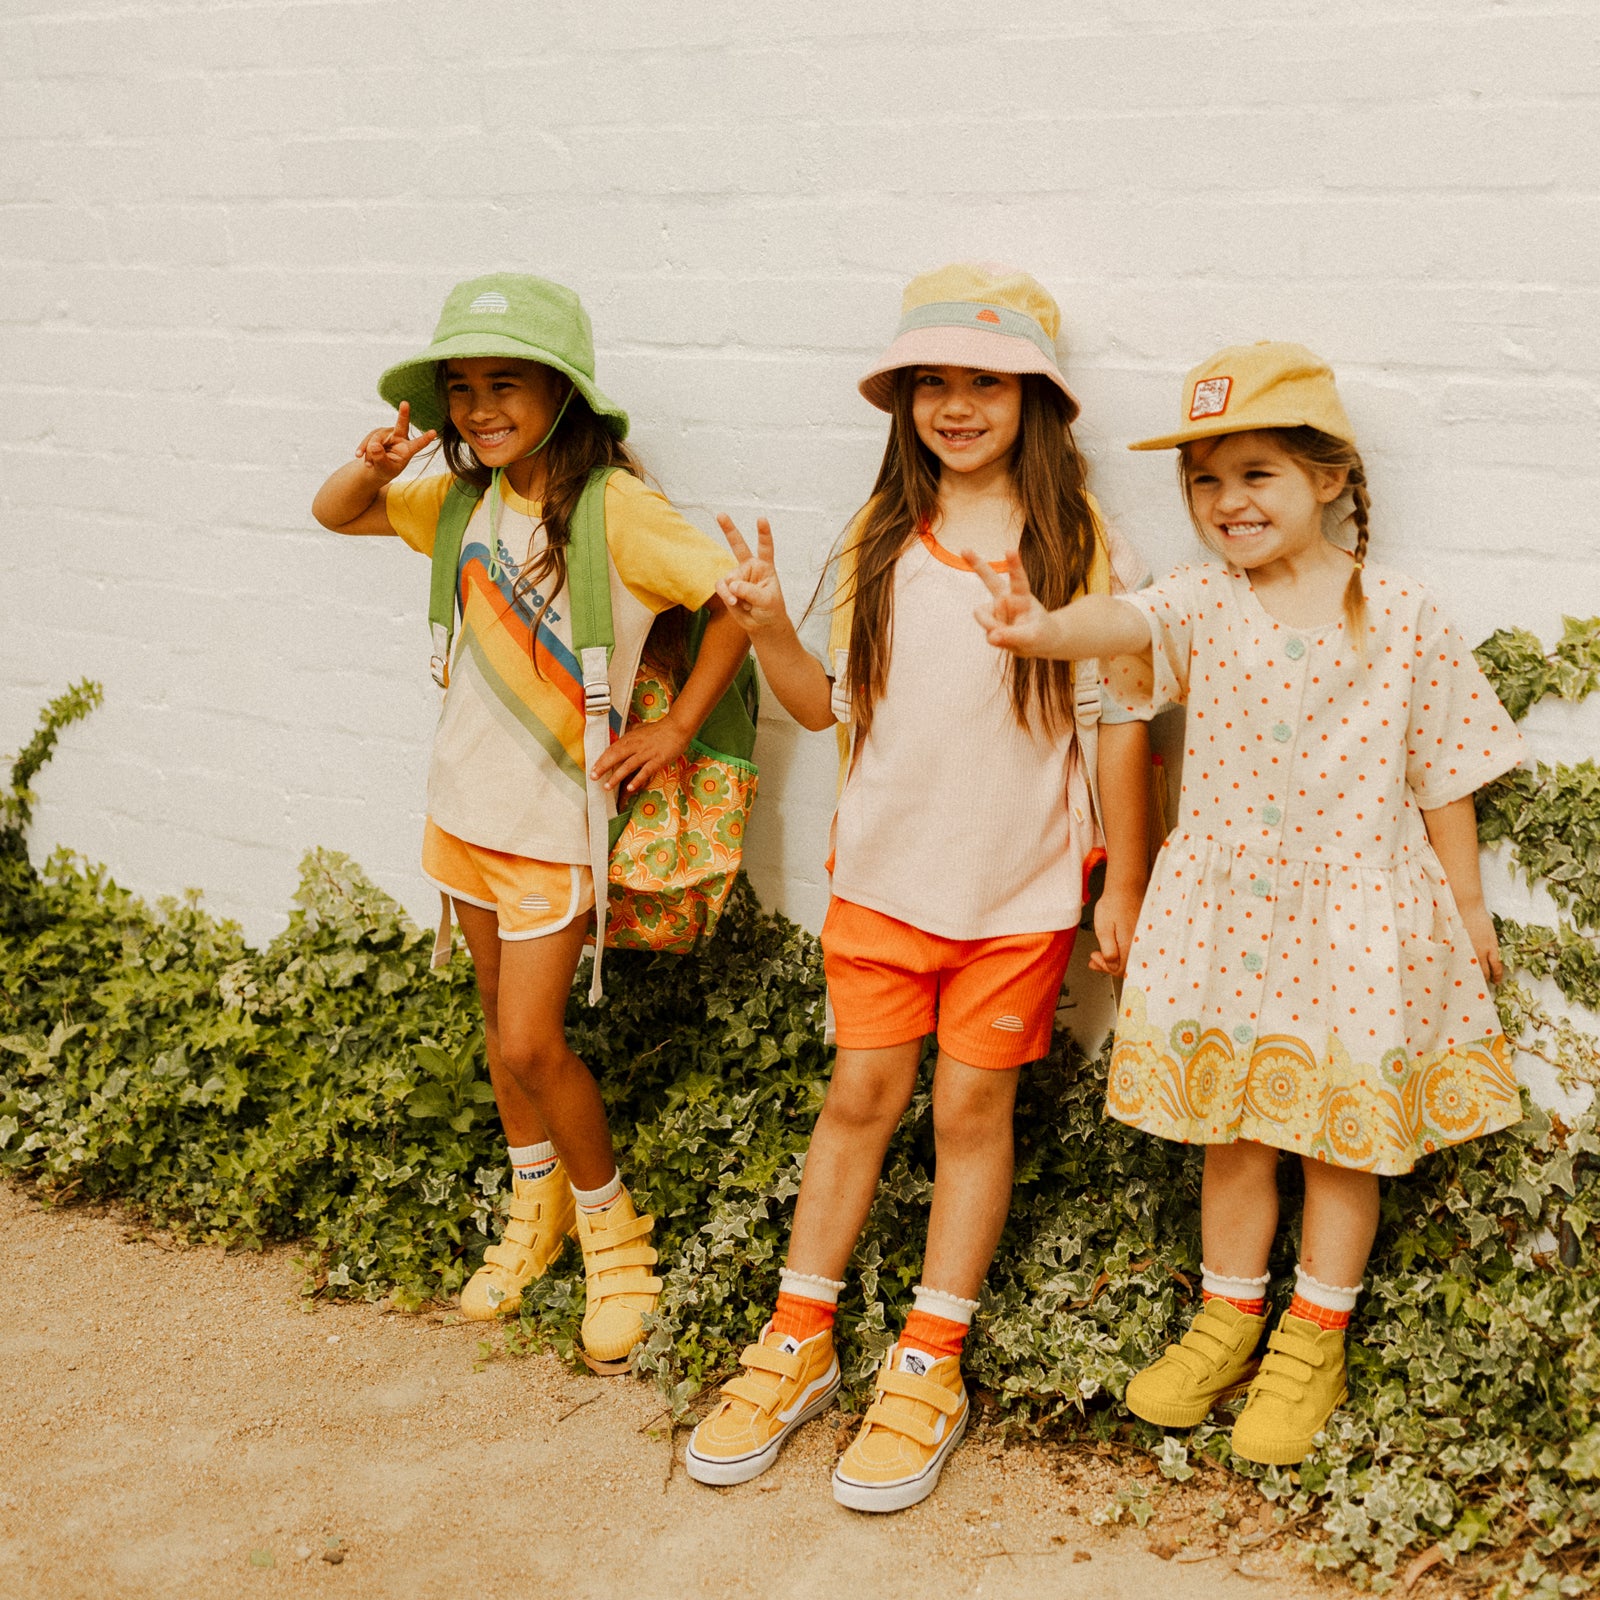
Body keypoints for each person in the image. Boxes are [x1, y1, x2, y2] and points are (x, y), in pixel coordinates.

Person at [969, 341, 1524, 1464]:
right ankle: (1227, 1312)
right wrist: (1041, 628)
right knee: (1230, 1128)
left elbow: (1443, 771)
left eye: (1256, 473)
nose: (1226, 502)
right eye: (1205, 479)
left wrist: (1466, 908)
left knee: (1337, 1143)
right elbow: (1115, 623)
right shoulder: (1198, 600)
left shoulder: (1404, 615)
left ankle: (1313, 1334)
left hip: (1357, 918)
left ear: (1327, 476)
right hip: (1228, 914)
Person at [684, 264, 1153, 1510]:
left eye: (983, 381)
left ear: (1032, 399)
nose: (955, 404)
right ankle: (796, 1340)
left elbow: (1115, 722)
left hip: (1021, 895)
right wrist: (772, 622)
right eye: (931, 381)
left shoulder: (1082, 540)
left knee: (967, 1119)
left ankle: (930, 1360)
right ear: (902, 402)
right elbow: (822, 707)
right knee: (859, 1098)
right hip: (884, 883)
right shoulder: (875, 533)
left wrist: (1124, 884)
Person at [311, 274, 747, 1373]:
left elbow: (737, 602)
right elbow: (337, 513)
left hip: (555, 824)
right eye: (460, 388)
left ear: (564, 392)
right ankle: (534, 1207)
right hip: (462, 809)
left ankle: (614, 1235)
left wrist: (679, 726)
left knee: (529, 1038)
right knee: (496, 1033)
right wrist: (373, 464)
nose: (475, 409)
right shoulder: (459, 502)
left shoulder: (614, 513)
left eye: (503, 384)